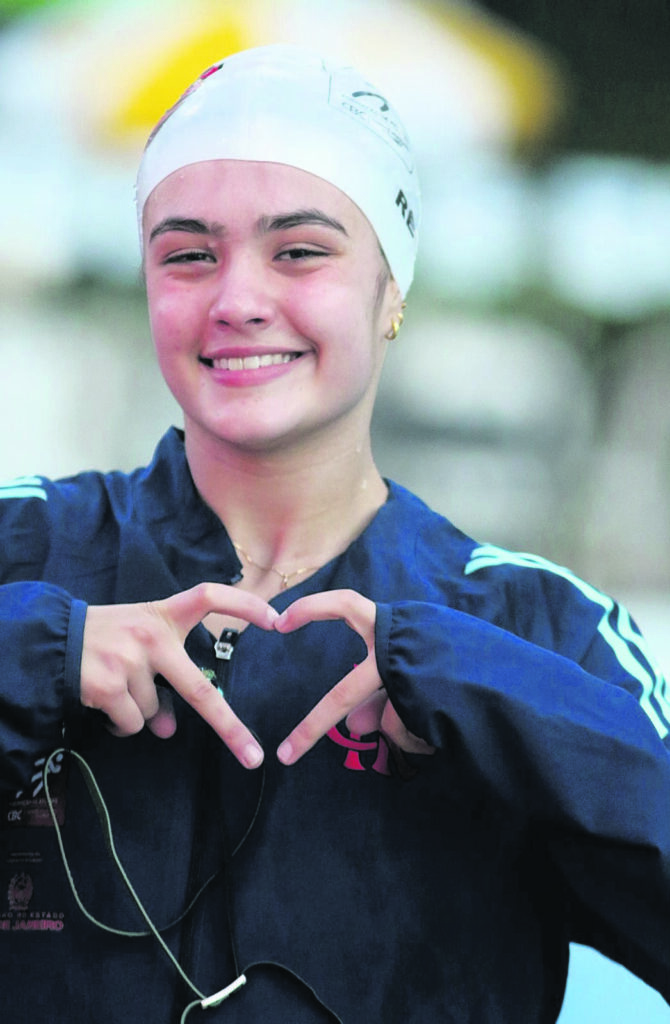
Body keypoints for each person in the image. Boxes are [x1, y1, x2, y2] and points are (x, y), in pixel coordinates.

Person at [1, 44, 669, 1024]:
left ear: (391, 289)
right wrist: (35, 656)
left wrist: (479, 694)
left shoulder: (533, 624)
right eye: (187, 255)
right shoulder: (26, 547)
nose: (237, 300)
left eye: (300, 251)